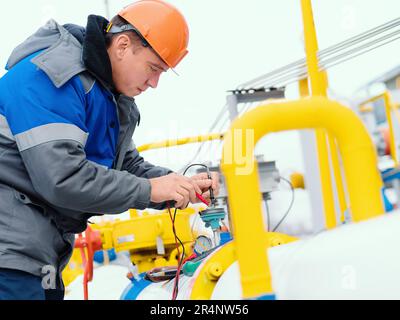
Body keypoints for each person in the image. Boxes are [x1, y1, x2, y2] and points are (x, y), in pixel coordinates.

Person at [0, 0, 219, 300]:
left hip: (37, 254)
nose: (154, 83)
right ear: (123, 44)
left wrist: (177, 185)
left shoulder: (106, 95)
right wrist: (152, 189)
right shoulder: (51, 76)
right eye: (153, 68)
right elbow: (63, 178)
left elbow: (125, 166)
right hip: (10, 253)